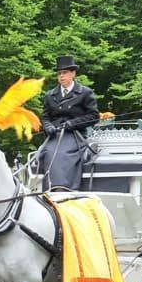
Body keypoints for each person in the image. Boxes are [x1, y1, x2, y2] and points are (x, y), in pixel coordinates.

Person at [38, 55, 100, 190]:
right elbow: (45, 117)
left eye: (65, 73)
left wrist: (74, 123)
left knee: (63, 155)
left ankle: (64, 189)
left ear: (73, 73)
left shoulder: (85, 93)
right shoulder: (50, 95)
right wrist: (47, 126)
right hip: (54, 135)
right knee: (47, 153)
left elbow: (94, 116)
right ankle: (49, 189)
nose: (61, 76)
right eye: (59, 73)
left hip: (75, 136)